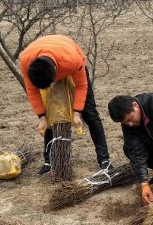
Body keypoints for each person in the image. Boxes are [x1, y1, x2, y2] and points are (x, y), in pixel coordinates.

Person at [19, 34, 110, 175]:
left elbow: (81, 85)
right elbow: (32, 91)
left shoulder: (72, 60)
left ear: (55, 75)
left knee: (90, 114)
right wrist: (42, 118)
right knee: (50, 115)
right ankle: (48, 161)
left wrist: (77, 113)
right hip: (48, 62)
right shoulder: (26, 61)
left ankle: (104, 160)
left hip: (68, 59)